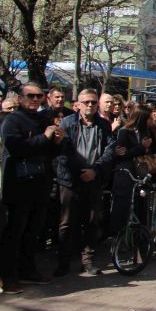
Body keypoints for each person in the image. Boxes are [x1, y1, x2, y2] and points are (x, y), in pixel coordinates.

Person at [0, 83, 65, 293]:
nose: (35, 100)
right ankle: (5, 276)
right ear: (20, 98)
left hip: (40, 182)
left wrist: (57, 142)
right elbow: (16, 148)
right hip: (19, 184)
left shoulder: (43, 119)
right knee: (14, 231)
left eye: (39, 96)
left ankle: (28, 269)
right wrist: (44, 137)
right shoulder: (12, 120)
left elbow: (50, 152)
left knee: (34, 231)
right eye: (31, 96)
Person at [55, 89, 116, 277]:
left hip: (94, 180)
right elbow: (64, 152)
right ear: (78, 104)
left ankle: (88, 260)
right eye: (86, 102)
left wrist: (95, 170)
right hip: (71, 180)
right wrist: (81, 171)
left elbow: (109, 149)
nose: (90, 105)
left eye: (93, 102)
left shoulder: (104, 125)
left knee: (92, 221)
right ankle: (63, 262)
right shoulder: (68, 123)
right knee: (67, 222)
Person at [109, 105, 153, 237]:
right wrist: (141, 147)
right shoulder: (125, 131)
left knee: (141, 204)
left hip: (141, 173)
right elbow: (123, 154)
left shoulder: (145, 132)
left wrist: (146, 148)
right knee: (123, 206)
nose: (151, 120)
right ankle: (120, 237)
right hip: (126, 174)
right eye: (149, 117)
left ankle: (139, 235)